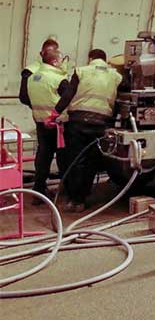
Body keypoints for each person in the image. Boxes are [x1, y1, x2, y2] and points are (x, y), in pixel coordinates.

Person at [56, 49, 123, 212]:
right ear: (105, 60)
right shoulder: (116, 76)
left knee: (76, 160)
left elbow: (68, 94)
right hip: (101, 124)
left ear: (91, 58)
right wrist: (113, 118)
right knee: (92, 161)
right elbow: (120, 99)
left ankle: (74, 199)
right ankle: (83, 198)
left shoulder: (81, 71)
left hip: (78, 123)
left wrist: (56, 111)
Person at [19, 47, 69, 204]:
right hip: (57, 124)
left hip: (40, 122)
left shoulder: (34, 77)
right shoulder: (58, 79)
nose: (62, 63)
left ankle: (39, 190)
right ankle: (66, 189)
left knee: (43, 156)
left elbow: (25, 98)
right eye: (61, 60)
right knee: (63, 156)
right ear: (54, 61)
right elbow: (69, 99)